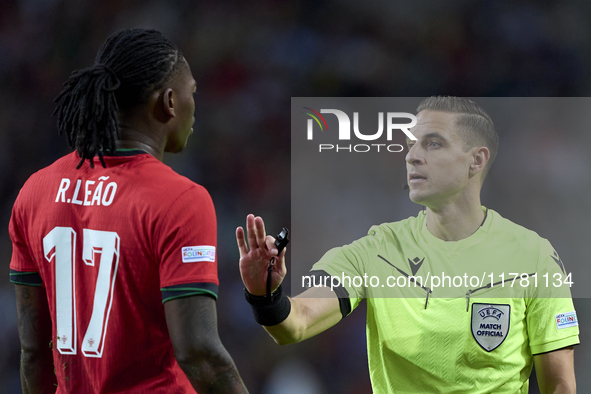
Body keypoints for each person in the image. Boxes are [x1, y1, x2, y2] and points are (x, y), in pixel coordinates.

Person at [237, 97, 579, 393]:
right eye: (412, 144)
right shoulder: (377, 251)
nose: (412, 156)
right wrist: (265, 296)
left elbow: (560, 384)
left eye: (432, 144)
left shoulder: (534, 258)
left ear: (476, 160)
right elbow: (296, 323)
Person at [9, 28, 248, 393]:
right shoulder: (180, 200)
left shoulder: (35, 191)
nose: (195, 105)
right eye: (192, 93)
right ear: (169, 101)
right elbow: (199, 351)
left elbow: (33, 352)